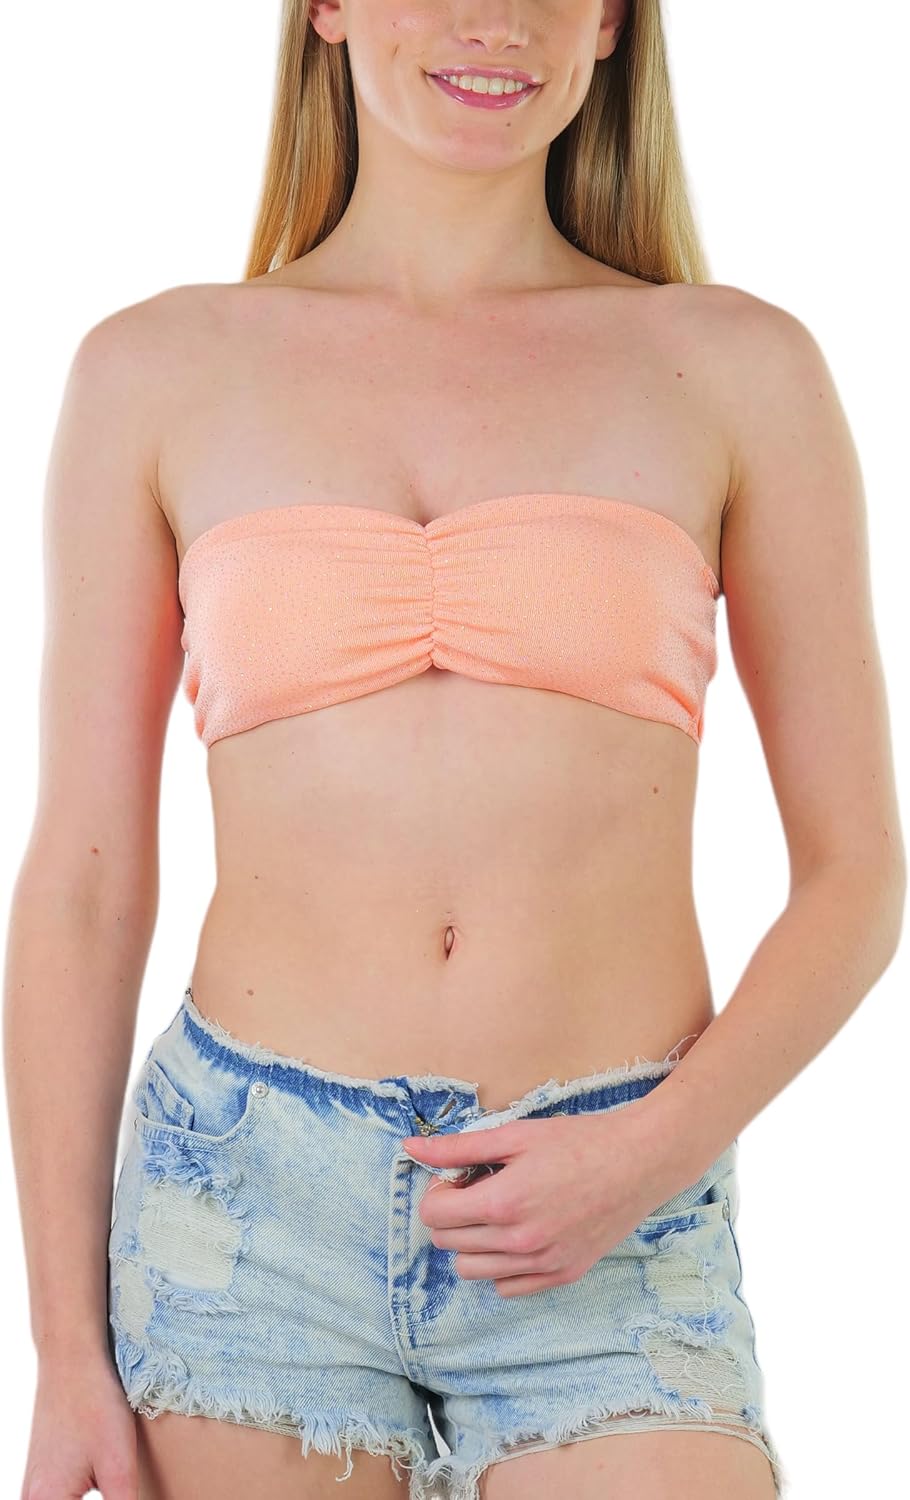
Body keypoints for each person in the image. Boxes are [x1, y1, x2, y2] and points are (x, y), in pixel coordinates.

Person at [6, 3, 905, 1498]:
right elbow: (82, 886)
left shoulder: (739, 366)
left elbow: (857, 872)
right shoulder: (151, 370)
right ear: (328, 8)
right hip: (244, 1201)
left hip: (613, 1193)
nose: (497, 20)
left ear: (608, 25)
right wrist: (59, 1350)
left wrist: (652, 1151)